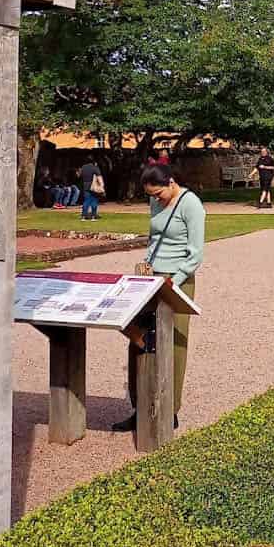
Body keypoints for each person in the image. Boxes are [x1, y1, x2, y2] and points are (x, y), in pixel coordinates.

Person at [112, 164, 206, 433]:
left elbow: (196, 253)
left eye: (158, 194)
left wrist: (172, 284)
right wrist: (146, 265)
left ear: (171, 182)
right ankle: (139, 406)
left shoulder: (191, 205)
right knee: (137, 337)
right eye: (151, 196)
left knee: (173, 341)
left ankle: (171, 407)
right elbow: (154, 239)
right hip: (151, 277)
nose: (155, 200)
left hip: (177, 280)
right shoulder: (156, 202)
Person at [79, 155, 103, 220]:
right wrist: (101, 186)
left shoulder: (83, 167)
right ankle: (93, 216)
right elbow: (99, 176)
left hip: (85, 185)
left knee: (86, 201)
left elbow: (80, 176)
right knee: (94, 201)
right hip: (93, 186)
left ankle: (83, 216)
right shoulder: (95, 167)